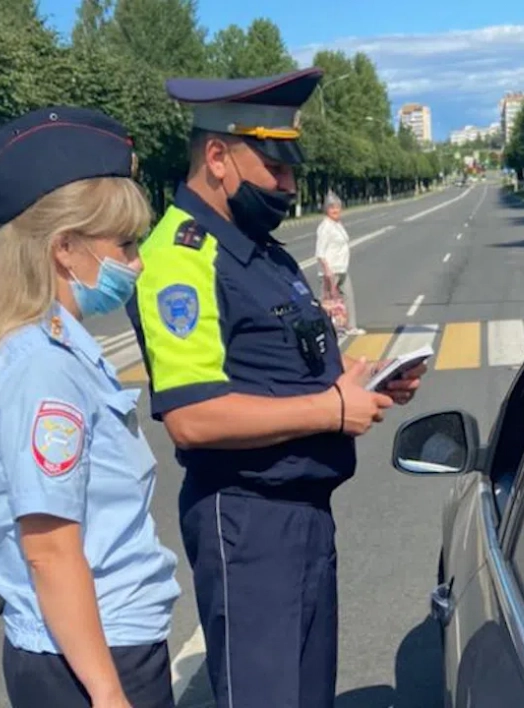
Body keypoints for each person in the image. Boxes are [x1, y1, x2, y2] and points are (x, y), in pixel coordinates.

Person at [124, 67, 426, 708]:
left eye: (293, 167)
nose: (289, 184)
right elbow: (192, 418)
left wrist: (357, 385)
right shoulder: (181, 261)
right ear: (217, 157)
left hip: (304, 519)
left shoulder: (263, 253)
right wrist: (331, 407)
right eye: (274, 166)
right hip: (248, 525)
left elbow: (287, 373)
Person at [0, 106, 181, 708]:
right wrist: (107, 692)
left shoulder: (49, 343)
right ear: (65, 248)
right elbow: (50, 550)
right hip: (90, 661)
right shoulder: (39, 363)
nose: (138, 261)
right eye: (125, 244)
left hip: (98, 643)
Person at [315, 190, 364, 336]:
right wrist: (327, 271)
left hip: (342, 268)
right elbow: (320, 253)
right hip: (330, 271)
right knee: (328, 302)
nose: (336, 210)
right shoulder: (325, 227)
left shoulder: (337, 225)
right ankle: (326, 329)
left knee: (348, 297)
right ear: (326, 210)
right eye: (332, 208)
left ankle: (351, 327)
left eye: (337, 207)